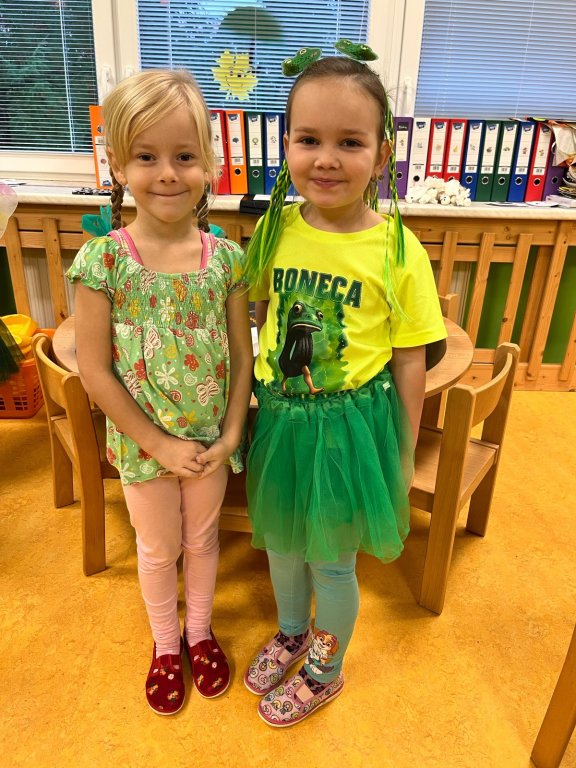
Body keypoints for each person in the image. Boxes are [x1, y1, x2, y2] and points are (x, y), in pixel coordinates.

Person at [243, 52, 447, 727]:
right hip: (281, 422)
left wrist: (403, 448)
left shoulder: (397, 250)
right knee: (281, 544)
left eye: (350, 142)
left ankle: (324, 670)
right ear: (287, 144)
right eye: (309, 139)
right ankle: (292, 631)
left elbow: (411, 361)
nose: (326, 159)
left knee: (330, 562)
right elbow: (261, 316)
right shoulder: (275, 229)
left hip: (347, 433)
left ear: (382, 153)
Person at [66, 69, 253, 715]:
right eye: (146, 157)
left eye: (184, 156)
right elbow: (95, 370)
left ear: (210, 165)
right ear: (118, 166)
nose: (167, 173)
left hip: (209, 444)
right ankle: (166, 644)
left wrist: (231, 434)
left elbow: (242, 356)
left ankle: (199, 632)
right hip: (144, 447)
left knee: (203, 541)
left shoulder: (227, 261)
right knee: (157, 548)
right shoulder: (103, 261)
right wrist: (158, 444)